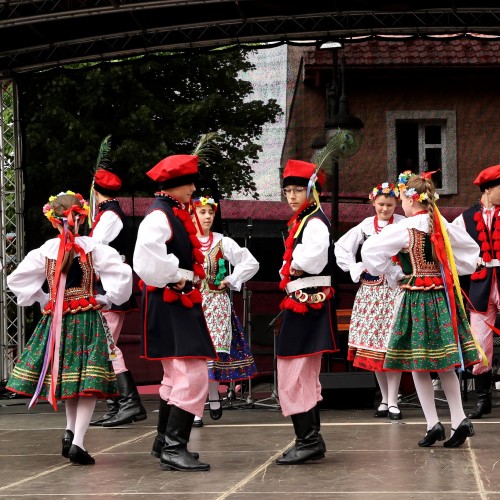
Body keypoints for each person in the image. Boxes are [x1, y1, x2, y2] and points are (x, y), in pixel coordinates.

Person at [6, 191, 132, 465]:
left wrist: (43, 299)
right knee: (87, 382)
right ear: (81, 218)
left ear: (53, 221)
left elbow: (16, 280)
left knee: (70, 380)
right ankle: (77, 442)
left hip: (57, 322)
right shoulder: (92, 247)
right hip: (86, 319)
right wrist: (107, 298)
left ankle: (70, 433)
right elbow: (121, 275)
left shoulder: (46, 251)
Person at [361, 171, 481, 448]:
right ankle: (459, 418)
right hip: (442, 297)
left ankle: (432, 424)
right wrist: (450, 270)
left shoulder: (405, 227)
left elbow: (370, 252)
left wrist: (392, 270)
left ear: (411, 199)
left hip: (417, 297)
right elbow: (469, 253)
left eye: (402, 198)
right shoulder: (441, 223)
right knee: (444, 362)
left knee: (419, 364)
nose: (401, 204)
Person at [133, 154, 216, 472]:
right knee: (191, 373)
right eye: (189, 183)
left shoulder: (172, 213)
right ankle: (173, 446)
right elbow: (145, 259)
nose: (194, 188)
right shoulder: (159, 216)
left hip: (175, 300)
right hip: (171, 299)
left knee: (176, 373)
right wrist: (177, 275)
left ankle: (164, 442)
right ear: (173, 186)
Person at [275, 159, 339, 465]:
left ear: (312, 192)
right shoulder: (304, 220)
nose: (291, 196)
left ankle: (309, 440)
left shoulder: (313, 221)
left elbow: (307, 262)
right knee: (301, 372)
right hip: (304, 302)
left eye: (298, 190)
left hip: (306, 303)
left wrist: (294, 266)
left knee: (294, 370)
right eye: (288, 191)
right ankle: (311, 439)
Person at [335, 182, 405, 420]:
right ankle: (384, 399)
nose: (384, 209)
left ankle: (394, 401)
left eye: (389, 205)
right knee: (374, 348)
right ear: (373, 202)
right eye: (381, 204)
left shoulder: (403, 224)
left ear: (396, 205)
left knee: (390, 346)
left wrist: (402, 271)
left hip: (394, 292)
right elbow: (341, 248)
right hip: (370, 293)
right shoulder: (366, 226)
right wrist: (356, 267)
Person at [191, 195, 258, 427]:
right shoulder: (186, 241)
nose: (208, 216)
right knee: (196, 356)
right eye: (202, 212)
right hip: (193, 304)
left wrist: (230, 279)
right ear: (193, 214)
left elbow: (250, 262)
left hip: (217, 303)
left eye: (211, 212)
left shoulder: (222, 241)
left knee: (210, 355)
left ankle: (210, 398)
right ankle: (200, 405)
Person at [88, 164, 147, 427]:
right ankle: (116, 404)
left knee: (107, 346)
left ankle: (129, 402)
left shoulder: (110, 215)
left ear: (95, 189)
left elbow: (96, 247)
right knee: (103, 346)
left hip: (111, 287)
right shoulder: (105, 214)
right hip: (106, 285)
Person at [452, 164, 500, 419]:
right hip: (480, 285)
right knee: (480, 342)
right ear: (489, 190)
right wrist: (468, 264)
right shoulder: (465, 218)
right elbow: (452, 246)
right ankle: (483, 399)